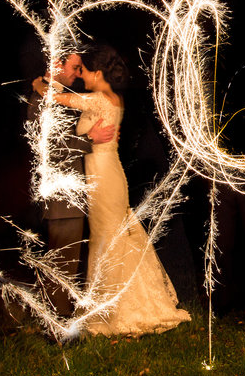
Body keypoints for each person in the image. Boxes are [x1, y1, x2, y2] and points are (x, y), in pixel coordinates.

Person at [33, 45, 191, 335]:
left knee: (106, 240)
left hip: (102, 178)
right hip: (108, 174)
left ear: (98, 73)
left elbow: (51, 95)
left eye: (84, 71)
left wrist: (40, 81)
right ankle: (120, 303)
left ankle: (114, 311)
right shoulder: (112, 98)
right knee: (112, 237)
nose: (81, 76)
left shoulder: (96, 100)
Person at [30, 51, 117, 314]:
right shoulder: (43, 99)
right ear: (56, 64)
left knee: (65, 261)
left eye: (81, 68)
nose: (77, 74)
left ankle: (61, 318)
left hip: (69, 193)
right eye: (75, 67)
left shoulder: (51, 94)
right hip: (62, 196)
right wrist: (89, 138)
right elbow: (52, 146)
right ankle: (59, 324)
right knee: (62, 263)